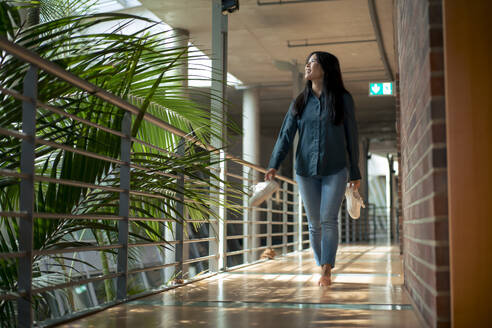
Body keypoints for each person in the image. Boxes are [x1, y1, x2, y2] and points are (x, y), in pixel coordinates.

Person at [265, 51, 361, 287]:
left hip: (335, 168)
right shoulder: (299, 102)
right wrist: (273, 165)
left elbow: (352, 135)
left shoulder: (343, 99)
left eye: (313, 62)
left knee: (328, 219)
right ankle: (322, 264)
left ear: (326, 68)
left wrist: (355, 171)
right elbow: (285, 136)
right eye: (307, 63)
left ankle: (326, 270)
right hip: (305, 170)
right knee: (314, 222)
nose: (307, 66)